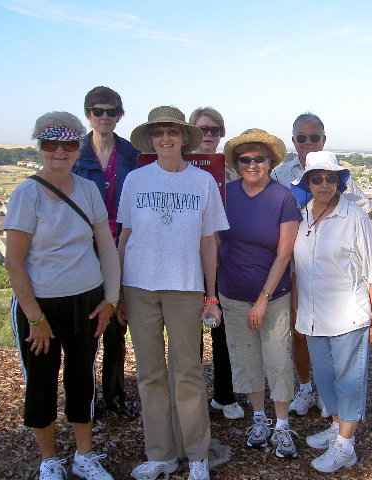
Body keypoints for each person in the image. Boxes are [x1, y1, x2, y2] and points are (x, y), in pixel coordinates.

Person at [6, 112, 120, 480]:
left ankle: (84, 456)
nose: (60, 152)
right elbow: (14, 262)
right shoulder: (27, 193)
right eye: (50, 144)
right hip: (40, 304)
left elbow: (106, 249)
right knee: (40, 382)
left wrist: (111, 299)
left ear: (78, 148)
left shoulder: (88, 190)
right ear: (40, 147)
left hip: (86, 300)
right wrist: (35, 318)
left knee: (81, 379)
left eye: (69, 144)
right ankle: (49, 460)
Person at [119, 106, 229, 480]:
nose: (166, 139)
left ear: (184, 137)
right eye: (159, 133)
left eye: (173, 132)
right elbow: (125, 235)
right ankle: (161, 454)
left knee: (188, 373)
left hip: (185, 286)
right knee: (149, 374)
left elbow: (208, 242)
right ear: (151, 139)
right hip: (139, 287)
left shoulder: (202, 183)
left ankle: (197, 454)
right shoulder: (135, 180)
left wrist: (211, 295)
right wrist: (118, 289)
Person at [271, 112, 372, 417]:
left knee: (331, 333)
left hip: (330, 268)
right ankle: (306, 389)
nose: (307, 143)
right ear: (293, 141)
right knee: (299, 329)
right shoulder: (280, 175)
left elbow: (363, 211)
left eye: (313, 137)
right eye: (301, 138)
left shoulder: (337, 174)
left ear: (323, 140)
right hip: (292, 263)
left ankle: (336, 408)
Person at [290, 151, 372, 473]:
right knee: (326, 379)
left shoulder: (354, 217)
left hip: (349, 315)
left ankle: (346, 446)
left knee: (349, 381)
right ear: (307, 182)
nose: (324, 184)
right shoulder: (301, 216)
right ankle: (335, 428)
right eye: (317, 179)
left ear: (339, 182)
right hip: (314, 317)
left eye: (331, 178)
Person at [218, 129, 301, 458]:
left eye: (259, 158)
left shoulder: (283, 198)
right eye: (245, 159)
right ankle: (258, 419)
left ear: (270, 162)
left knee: (278, 359)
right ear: (237, 163)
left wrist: (264, 298)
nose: (252, 164)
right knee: (247, 359)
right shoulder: (224, 195)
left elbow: (284, 253)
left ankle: (281, 426)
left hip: (274, 295)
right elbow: (214, 243)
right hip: (233, 294)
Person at [72, 86, 139, 421]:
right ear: (88, 113)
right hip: (85, 248)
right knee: (85, 326)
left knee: (115, 324)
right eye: (98, 111)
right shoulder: (75, 153)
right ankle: (84, 401)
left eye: (111, 112)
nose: (104, 117)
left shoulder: (131, 154)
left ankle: (114, 396)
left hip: (123, 245)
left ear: (119, 115)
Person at [188, 107, 244, 420]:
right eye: (202, 129)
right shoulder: (179, 168)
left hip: (225, 259)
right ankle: (192, 396)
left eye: (215, 130)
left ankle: (224, 394)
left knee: (222, 329)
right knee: (188, 331)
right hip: (187, 259)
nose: (209, 135)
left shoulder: (232, 170)